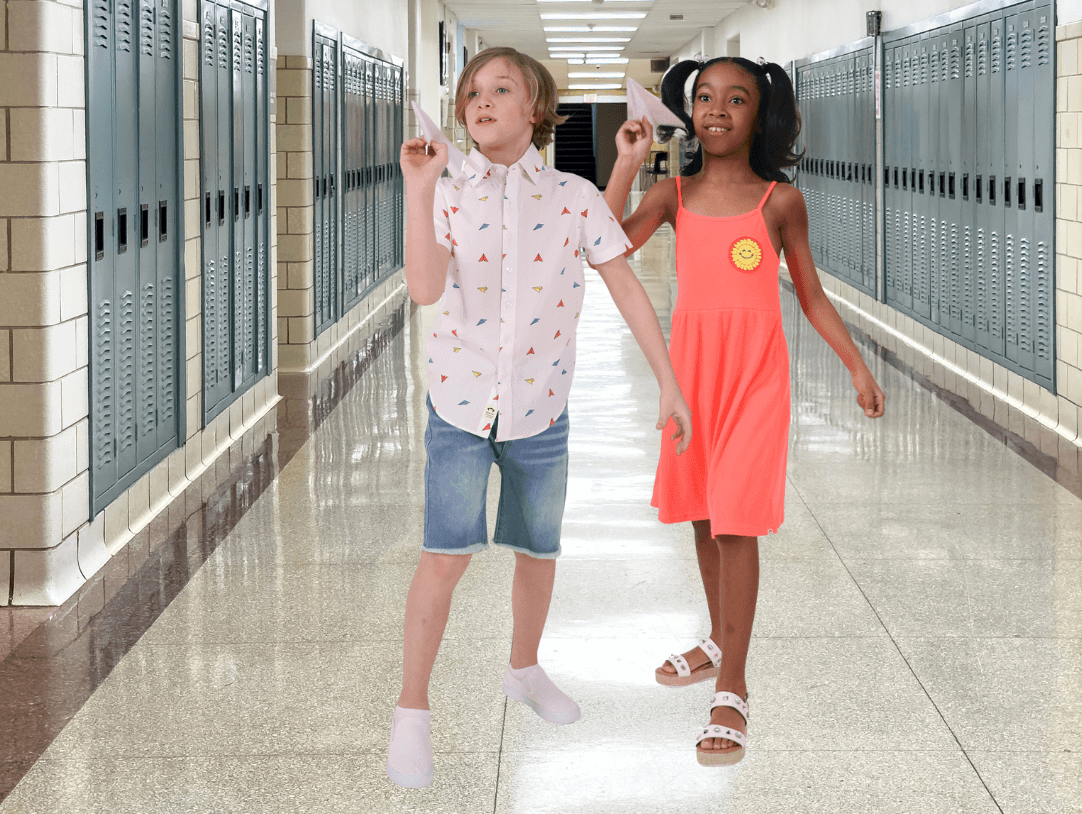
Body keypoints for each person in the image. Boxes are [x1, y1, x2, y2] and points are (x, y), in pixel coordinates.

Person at [387, 46, 693, 788]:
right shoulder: (450, 191)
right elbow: (426, 289)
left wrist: (669, 383)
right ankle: (411, 711)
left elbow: (623, 286)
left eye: (501, 89)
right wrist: (419, 189)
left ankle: (524, 671)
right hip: (461, 408)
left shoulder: (575, 198)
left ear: (536, 108)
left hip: (540, 409)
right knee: (445, 555)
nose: (481, 102)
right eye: (471, 94)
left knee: (537, 551)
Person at [603, 57, 886, 766]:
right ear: (689, 110)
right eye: (705, 98)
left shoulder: (780, 202)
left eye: (737, 99)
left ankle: (732, 685)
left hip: (757, 378)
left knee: (735, 520)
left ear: (761, 114)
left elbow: (812, 296)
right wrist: (626, 163)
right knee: (704, 512)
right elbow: (603, 245)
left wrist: (856, 364)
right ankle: (719, 636)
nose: (718, 109)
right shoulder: (674, 193)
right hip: (690, 378)